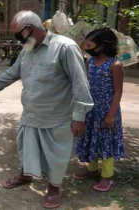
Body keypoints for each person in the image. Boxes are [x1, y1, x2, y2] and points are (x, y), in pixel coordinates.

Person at [0, 11, 94, 208]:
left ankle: (54, 187)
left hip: (57, 116)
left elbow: (80, 84)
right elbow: (12, 73)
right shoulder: (28, 47)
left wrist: (79, 116)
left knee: (56, 155)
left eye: (18, 34)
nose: (16, 38)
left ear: (29, 29)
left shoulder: (65, 47)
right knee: (26, 149)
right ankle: (26, 175)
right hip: (31, 113)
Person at [73, 28, 124, 192]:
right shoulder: (90, 62)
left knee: (105, 141)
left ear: (102, 45)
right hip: (91, 109)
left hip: (107, 110)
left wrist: (111, 115)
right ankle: (92, 169)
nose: (86, 47)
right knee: (90, 138)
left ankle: (107, 176)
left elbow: (118, 92)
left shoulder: (115, 64)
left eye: (89, 44)